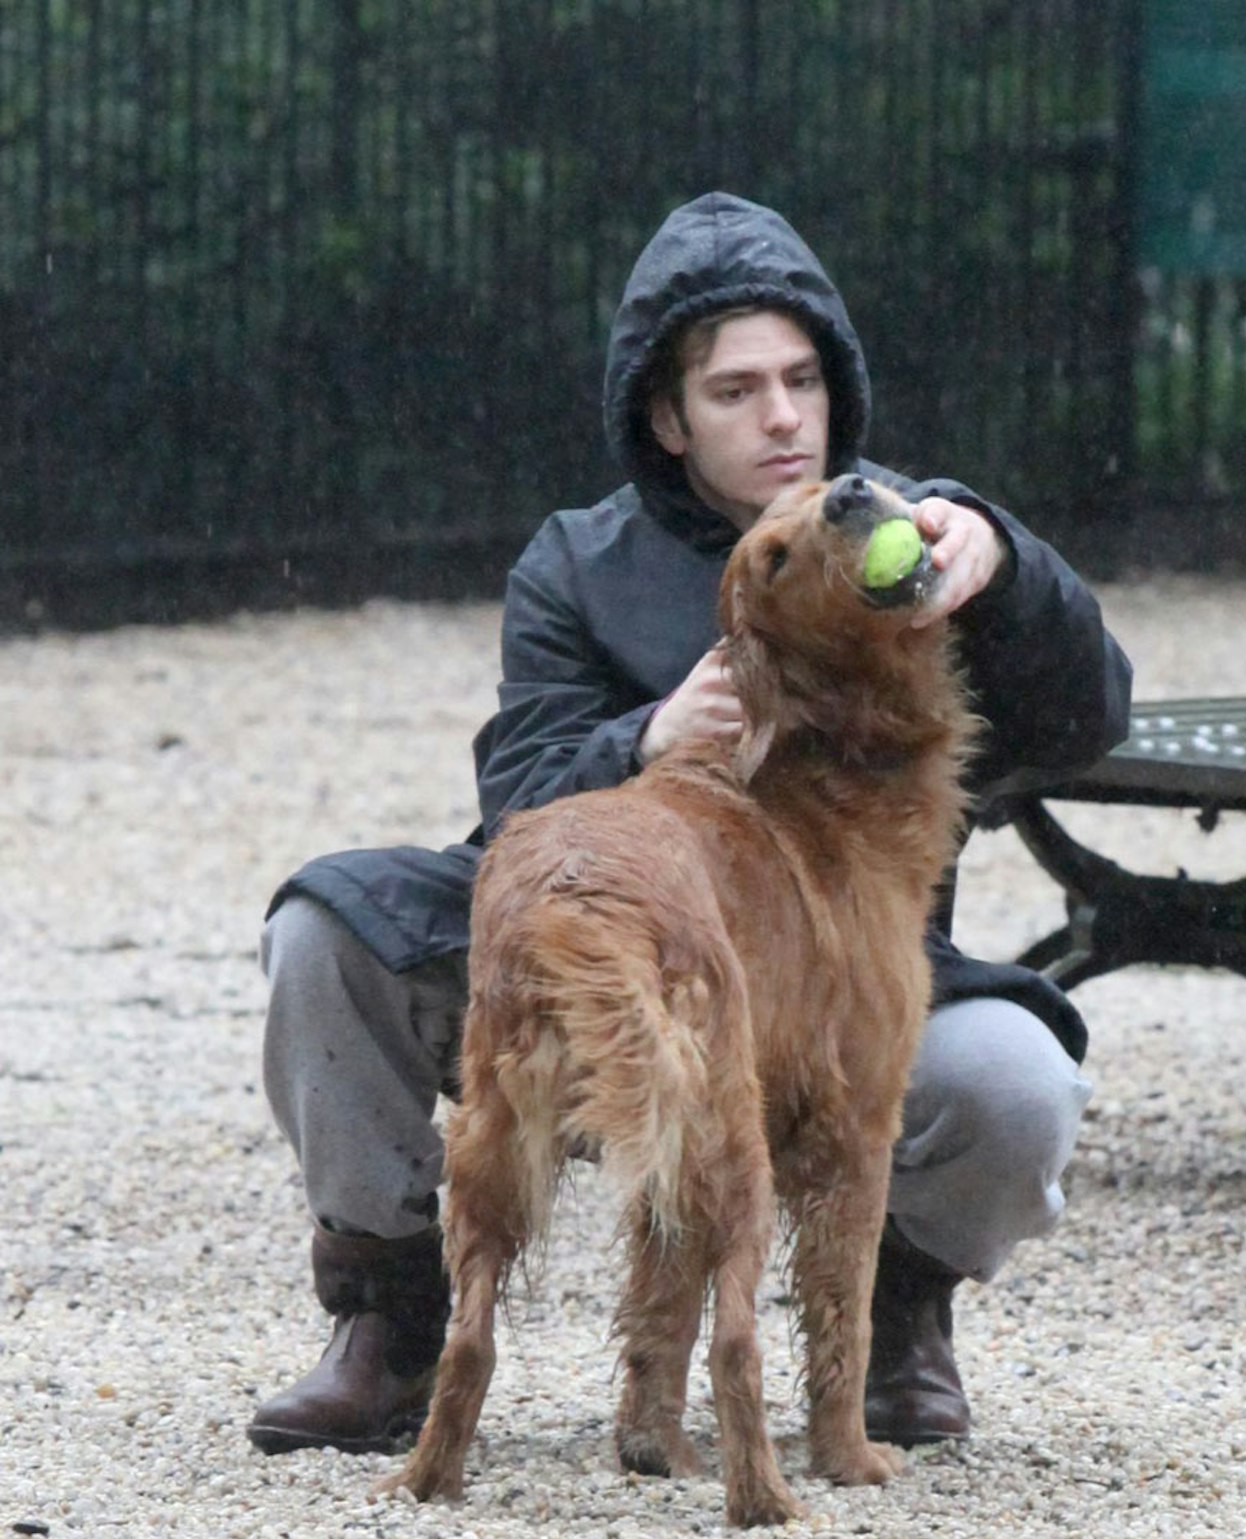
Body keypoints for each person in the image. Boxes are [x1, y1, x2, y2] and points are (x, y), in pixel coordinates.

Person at [247, 192, 1131, 1458]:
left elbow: (1090, 715)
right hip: (606, 928)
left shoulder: (918, 535)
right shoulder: (577, 564)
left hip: (838, 984)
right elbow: (521, 790)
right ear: (666, 419)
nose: (782, 416)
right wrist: (646, 738)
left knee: (1018, 1082)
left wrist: (1006, 563)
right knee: (322, 935)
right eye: (735, 390)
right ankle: (389, 1317)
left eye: (802, 379)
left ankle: (892, 1317)